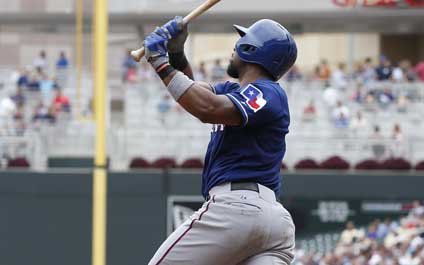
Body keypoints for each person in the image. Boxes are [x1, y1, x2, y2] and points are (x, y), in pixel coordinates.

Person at [143, 17, 297, 265]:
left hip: (237, 210)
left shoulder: (268, 91)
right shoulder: (235, 91)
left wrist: (159, 62)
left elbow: (207, 108)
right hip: (274, 225)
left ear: (252, 49)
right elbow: (194, 93)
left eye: (241, 42)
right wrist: (176, 53)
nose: (235, 48)